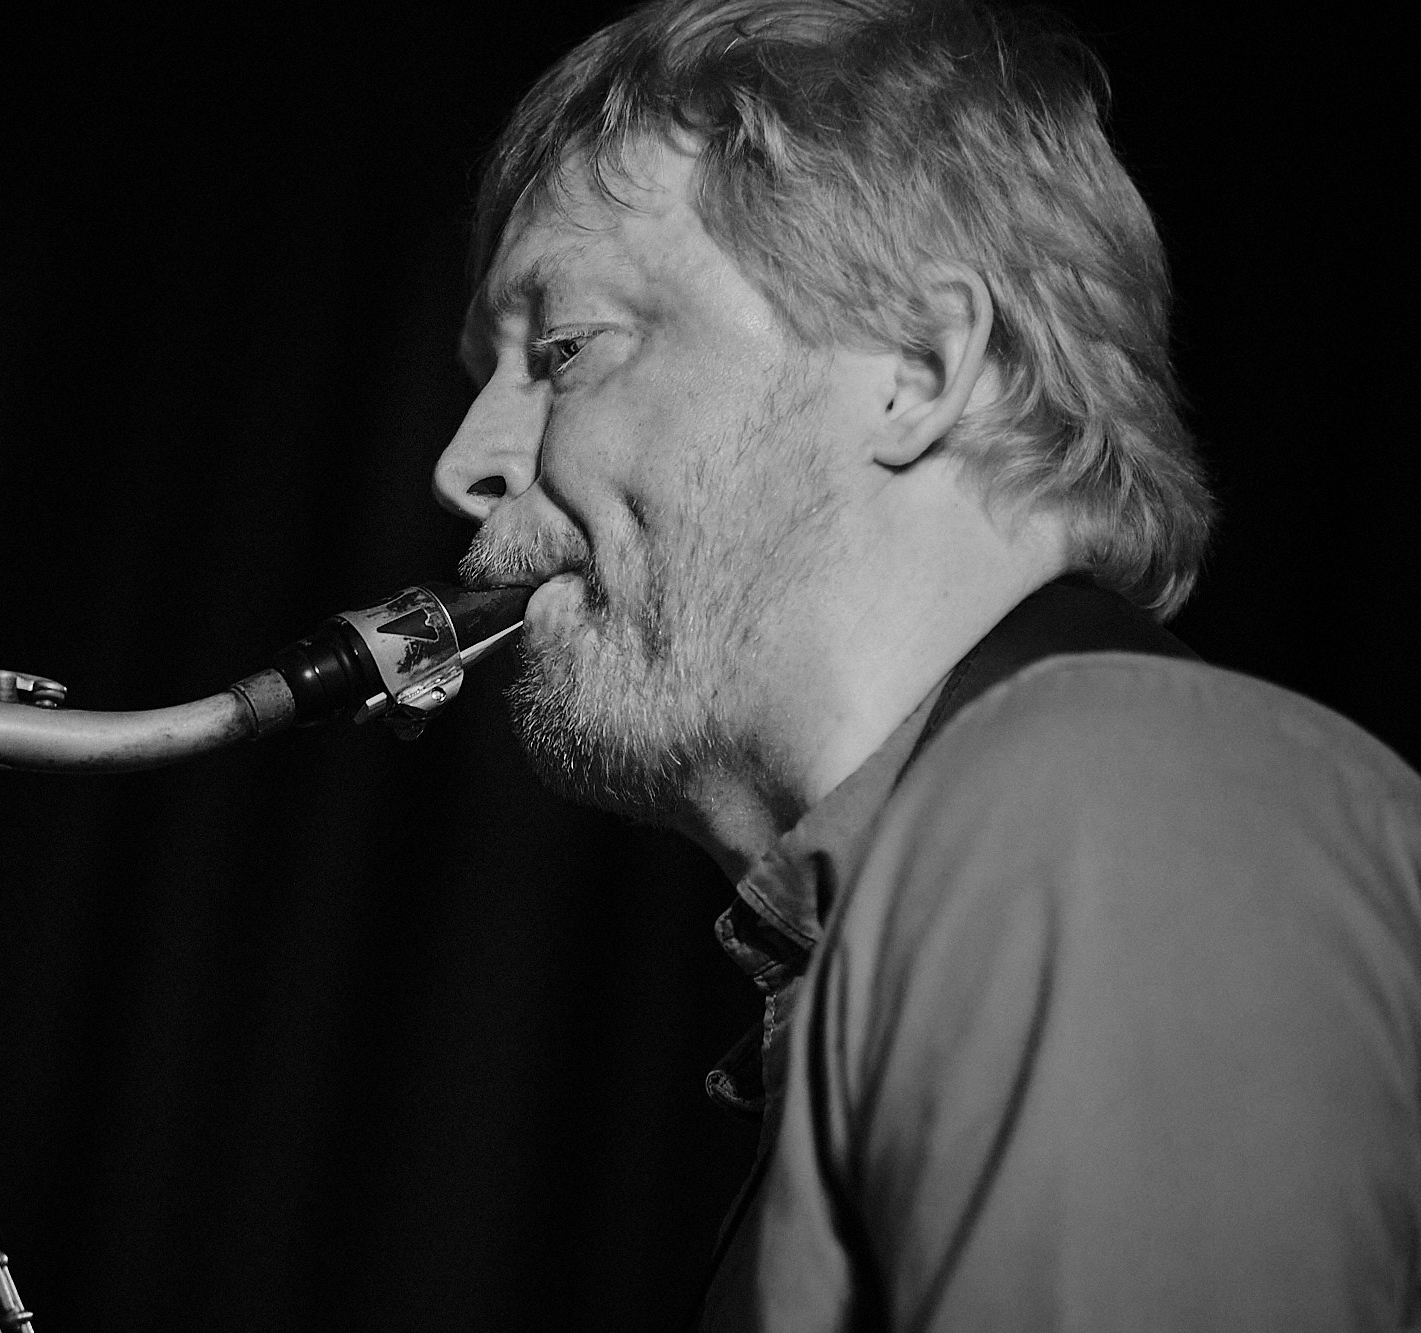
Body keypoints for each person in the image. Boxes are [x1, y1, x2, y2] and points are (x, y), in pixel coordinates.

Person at [431, 0, 1421, 1327]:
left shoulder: (1108, 797)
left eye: (562, 350)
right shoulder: (1003, 849)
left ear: (922, 365)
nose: (463, 465)